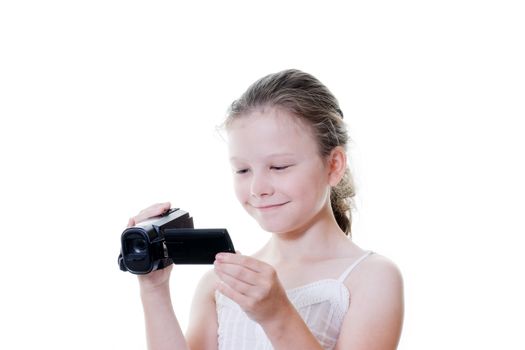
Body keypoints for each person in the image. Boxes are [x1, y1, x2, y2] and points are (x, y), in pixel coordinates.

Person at [127, 69, 404, 350]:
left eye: (279, 167)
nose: (257, 187)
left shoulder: (372, 278)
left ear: (333, 165)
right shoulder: (220, 284)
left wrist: (278, 317)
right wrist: (154, 289)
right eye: (243, 169)